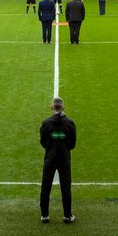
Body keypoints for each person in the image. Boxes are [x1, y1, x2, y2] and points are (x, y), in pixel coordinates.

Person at [39, 96, 77, 224]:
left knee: (45, 187)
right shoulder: (70, 123)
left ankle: (45, 215)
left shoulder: (45, 123)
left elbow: (43, 142)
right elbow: (72, 144)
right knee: (66, 188)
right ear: (63, 107)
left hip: (49, 159)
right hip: (64, 159)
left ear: (51, 107)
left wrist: (51, 147)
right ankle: (67, 216)